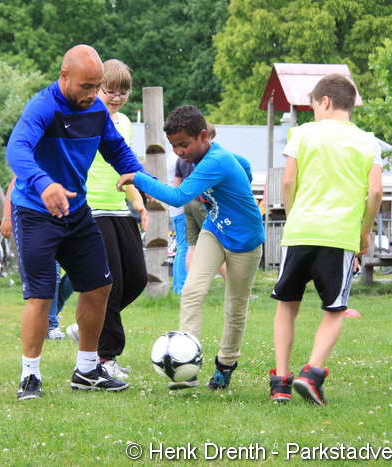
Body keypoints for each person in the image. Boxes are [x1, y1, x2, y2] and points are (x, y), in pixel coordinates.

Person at [6, 44, 148, 400]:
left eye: (96, 86)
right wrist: (44, 184)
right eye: (86, 86)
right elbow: (17, 150)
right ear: (64, 76)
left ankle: (87, 369)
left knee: (99, 286)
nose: (92, 94)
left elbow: (116, 150)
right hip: (36, 212)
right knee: (41, 295)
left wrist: (142, 179)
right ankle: (30, 376)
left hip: (77, 212)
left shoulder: (96, 110)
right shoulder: (43, 107)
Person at [117, 105, 264, 391]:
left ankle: (225, 365)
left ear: (203, 136)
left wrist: (138, 177)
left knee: (235, 306)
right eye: (174, 146)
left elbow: (178, 196)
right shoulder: (208, 157)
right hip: (215, 231)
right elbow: (244, 164)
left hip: (245, 242)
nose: (179, 152)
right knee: (192, 291)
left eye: (183, 144)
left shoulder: (216, 161)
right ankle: (187, 366)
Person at [269, 74, 383, 405]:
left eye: (314, 106)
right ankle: (312, 373)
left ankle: (280, 382)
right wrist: (364, 231)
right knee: (334, 309)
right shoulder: (368, 142)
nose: (314, 112)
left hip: (301, 230)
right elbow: (375, 191)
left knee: (287, 305)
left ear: (326, 101)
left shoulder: (302, 134)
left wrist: (293, 215)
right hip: (340, 235)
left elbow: (288, 182)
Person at [80, 59, 148, 378]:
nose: (117, 97)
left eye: (124, 91)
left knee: (137, 279)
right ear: (97, 89)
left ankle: (88, 322)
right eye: (111, 90)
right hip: (92, 208)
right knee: (112, 284)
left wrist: (139, 203)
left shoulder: (124, 123)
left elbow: (125, 167)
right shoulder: (85, 119)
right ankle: (106, 358)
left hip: (119, 208)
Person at [1, 177, 72, 339]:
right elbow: (14, 183)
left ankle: (46, 315)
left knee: (82, 271)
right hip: (37, 219)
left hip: (69, 217)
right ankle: (51, 324)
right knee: (51, 274)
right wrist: (7, 217)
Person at [176, 123, 227, 281]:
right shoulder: (205, 159)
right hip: (201, 203)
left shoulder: (181, 159)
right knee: (217, 245)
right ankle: (230, 281)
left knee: (192, 246)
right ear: (205, 137)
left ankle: (191, 283)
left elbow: (178, 182)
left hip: (187, 203)